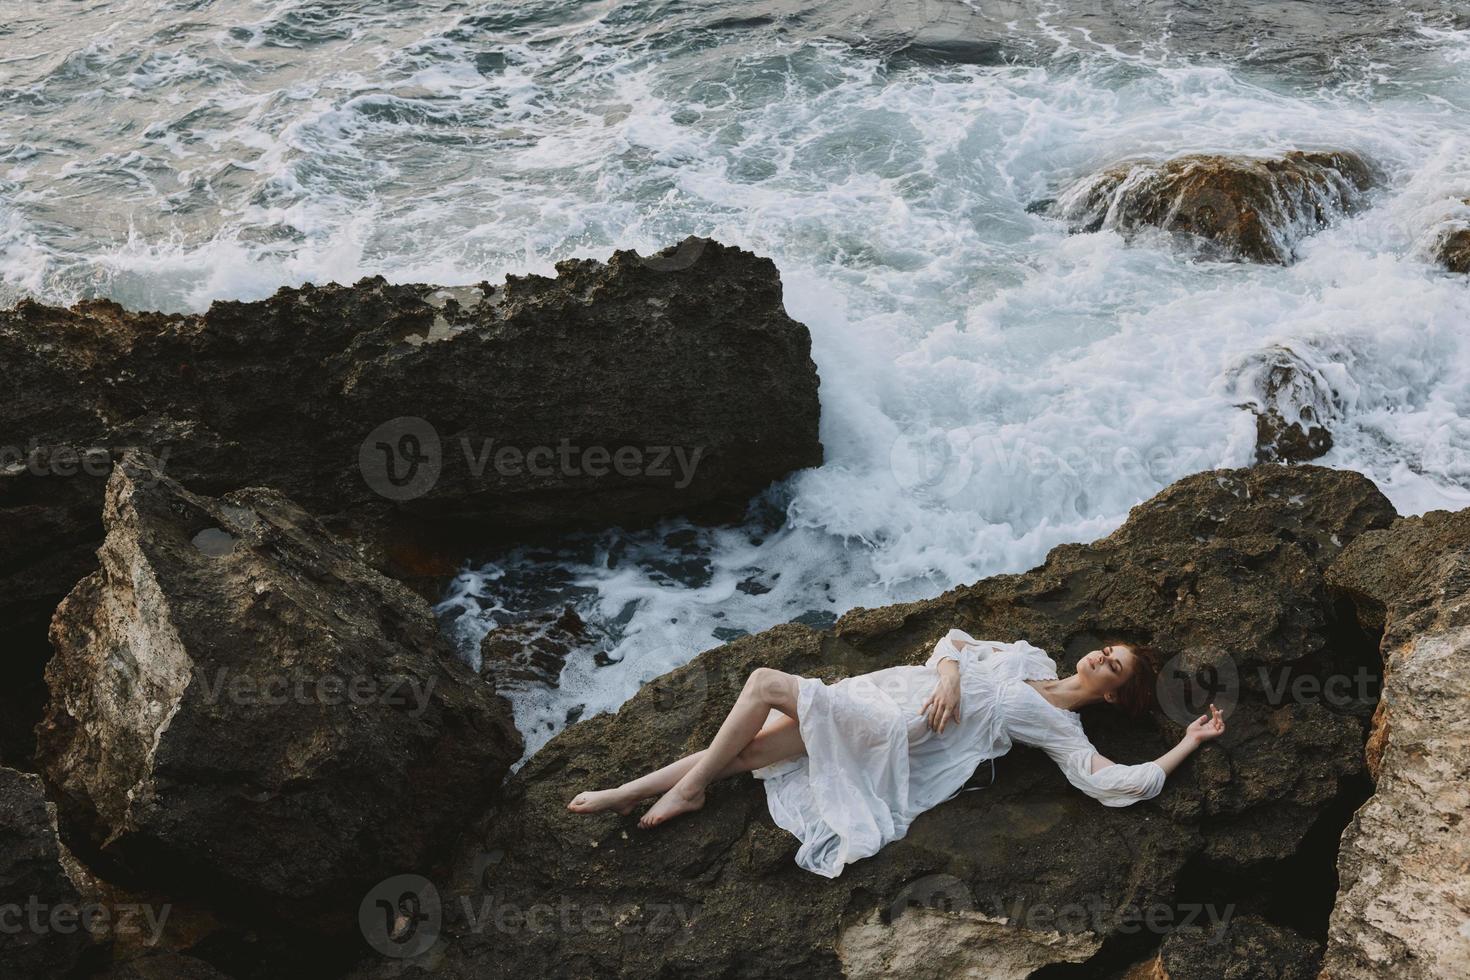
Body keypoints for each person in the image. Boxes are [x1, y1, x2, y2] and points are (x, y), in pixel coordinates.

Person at [568, 630, 1226, 877]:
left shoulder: (1059, 725)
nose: (1100, 658)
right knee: (747, 750)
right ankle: (634, 792)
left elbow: (1120, 784)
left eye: (1112, 667)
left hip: (895, 732)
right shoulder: (1032, 660)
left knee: (766, 683)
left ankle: (682, 791)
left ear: (1113, 695)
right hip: (890, 691)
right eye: (1107, 649)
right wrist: (946, 674)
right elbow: (955, 640)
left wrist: (1188, 744)